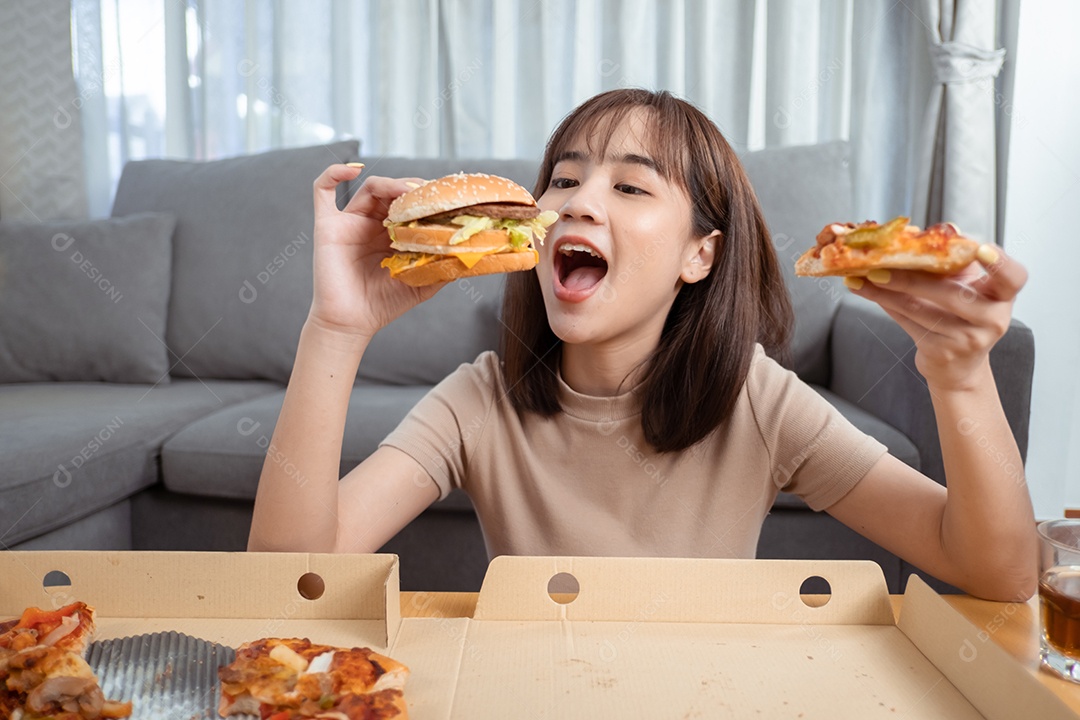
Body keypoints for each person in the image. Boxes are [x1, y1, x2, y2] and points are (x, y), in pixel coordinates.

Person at [248, 89, 1035, 601]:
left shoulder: (755, 400)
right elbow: (290, 582)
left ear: (702, 255)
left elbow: (995, 573)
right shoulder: (477, 400)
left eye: (629, 187)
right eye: (563, 179)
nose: (578, 202)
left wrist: (960, 378)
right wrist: (335, 330)